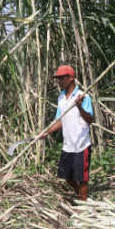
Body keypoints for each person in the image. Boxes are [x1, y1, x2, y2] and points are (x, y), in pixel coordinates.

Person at [37, 65, 94, 201]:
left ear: (71, 77)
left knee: (82, 178)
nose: (59, 81)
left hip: (81, 144)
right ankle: (82, 196)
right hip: (68, 144)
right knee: (67, 176)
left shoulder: (83, 96)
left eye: (62, 78)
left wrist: (79, 106)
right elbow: (60, 120)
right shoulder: (61, 98)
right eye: (58, 78)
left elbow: (89, 120)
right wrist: (47, 131)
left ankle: (83, 205)